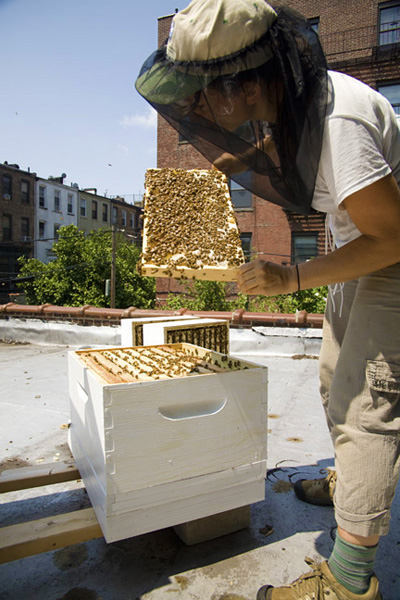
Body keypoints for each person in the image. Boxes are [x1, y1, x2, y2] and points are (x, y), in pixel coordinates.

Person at [135, 1, 400, 598]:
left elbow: (392, 236)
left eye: (204, 92)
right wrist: (215, 176)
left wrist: (292, 277)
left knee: (366, 405)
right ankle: (349, 480)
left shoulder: (340, 121)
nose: (196, 108)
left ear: (248, 83)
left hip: (390, 253)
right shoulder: (288, 102)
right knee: (334, 377)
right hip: (358, 245)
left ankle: (350, 580)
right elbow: (288, 164)